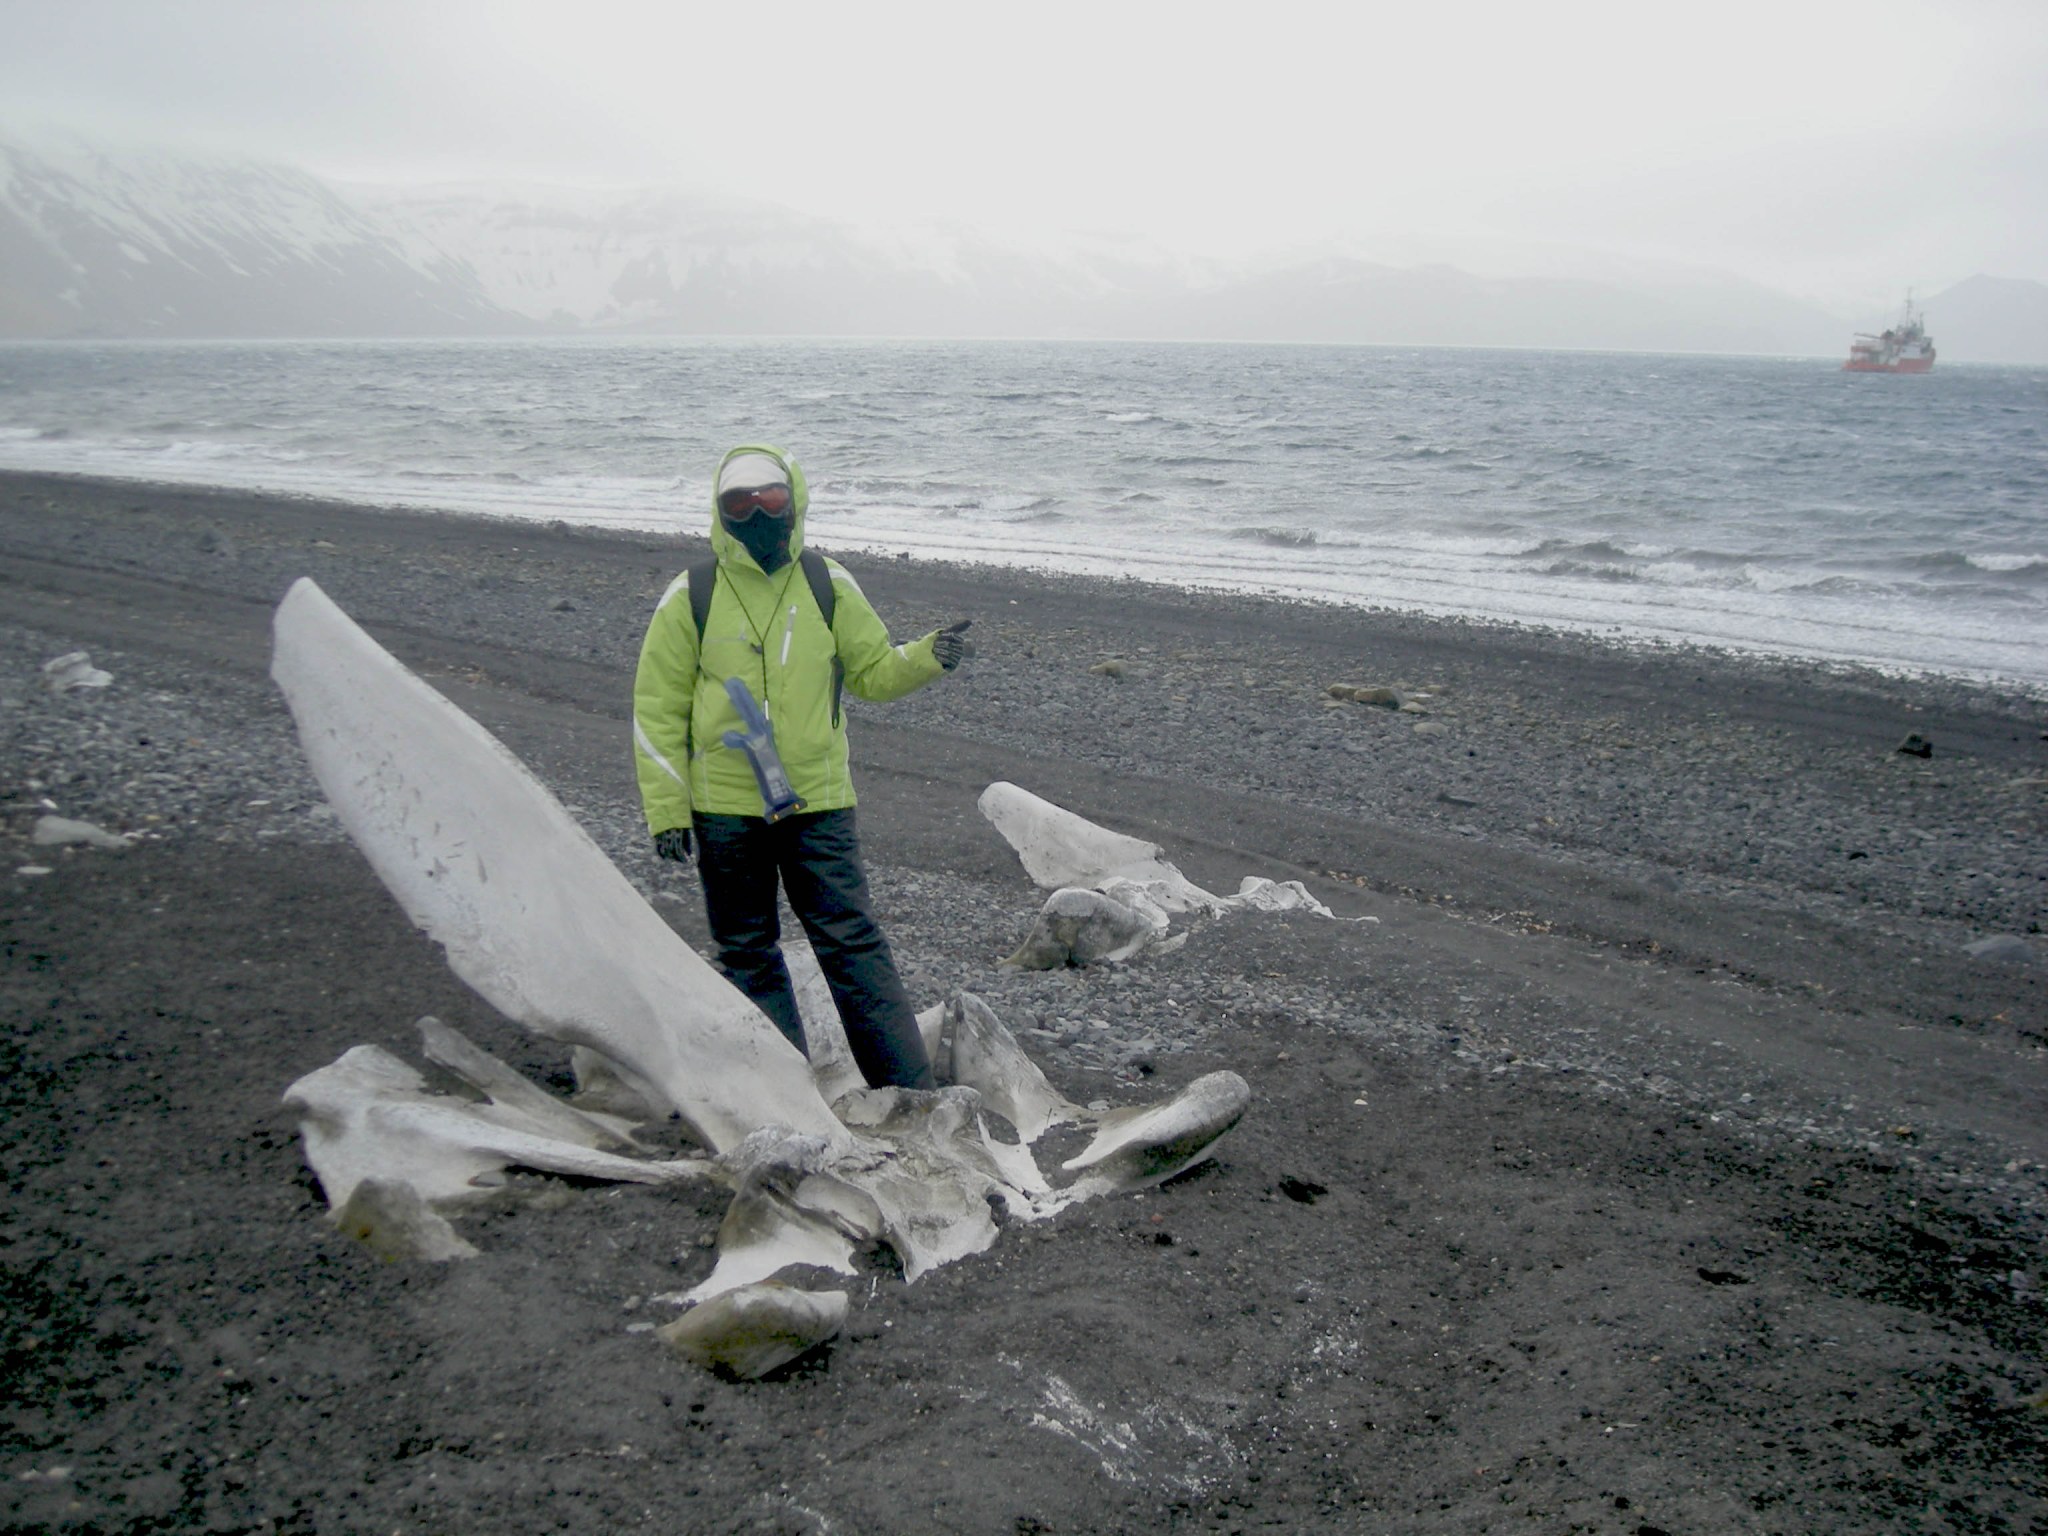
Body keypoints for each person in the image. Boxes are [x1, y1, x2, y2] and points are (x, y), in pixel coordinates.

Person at [633, 444, 972, 1091]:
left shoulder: (827, 584)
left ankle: (911, 1095)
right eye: (741, 502)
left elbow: (872, 672)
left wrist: (930, 656)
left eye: (771, 498)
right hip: (725, 810)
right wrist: (667, 810)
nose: (758, 512)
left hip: (817, 804)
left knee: (853, 946)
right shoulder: (691, 596)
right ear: (721, 511)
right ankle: (784, 1096)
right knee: (748, 953)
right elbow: (656, 709)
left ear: (794, 500)